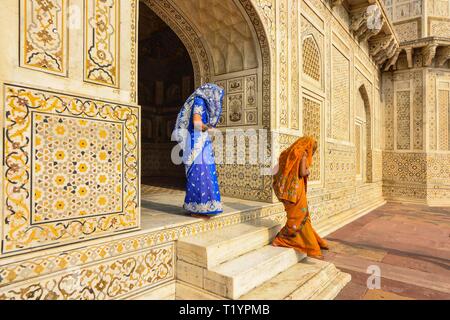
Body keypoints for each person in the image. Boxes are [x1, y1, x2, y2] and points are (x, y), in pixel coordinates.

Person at [272, 136, 329, 258]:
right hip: (296, 194)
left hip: (288, 193)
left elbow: (276, 170)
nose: (312, 152)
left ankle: (313, 242)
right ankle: (283, 239)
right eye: (313, 149)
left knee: (301, 218)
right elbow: (302, 172)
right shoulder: (302, 154)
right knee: (299, 218)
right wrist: (308, 171)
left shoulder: (290, 153)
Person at [173, 83, 224, 217]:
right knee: (200, 173)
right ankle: (197, 208)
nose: (216, 99)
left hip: (201, 141)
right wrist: (210, 129)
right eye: (215, 95)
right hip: (196, 142)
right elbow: (196, 123)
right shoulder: (199, 100)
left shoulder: (201, 102)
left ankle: (204, 207)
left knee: (206, 173)